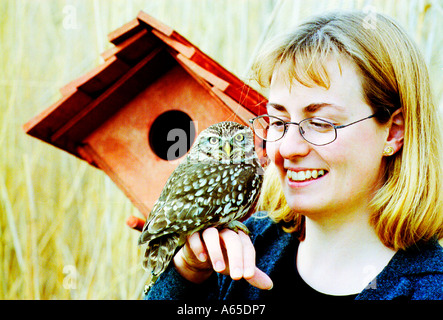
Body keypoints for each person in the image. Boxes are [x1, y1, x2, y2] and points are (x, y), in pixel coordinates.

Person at [144, 10, 443, 300]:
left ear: (393, 133)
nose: (287, 147)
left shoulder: (430, 289)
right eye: (279, 122)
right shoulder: (235, 255)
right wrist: (185, 278)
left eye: (321, 123)